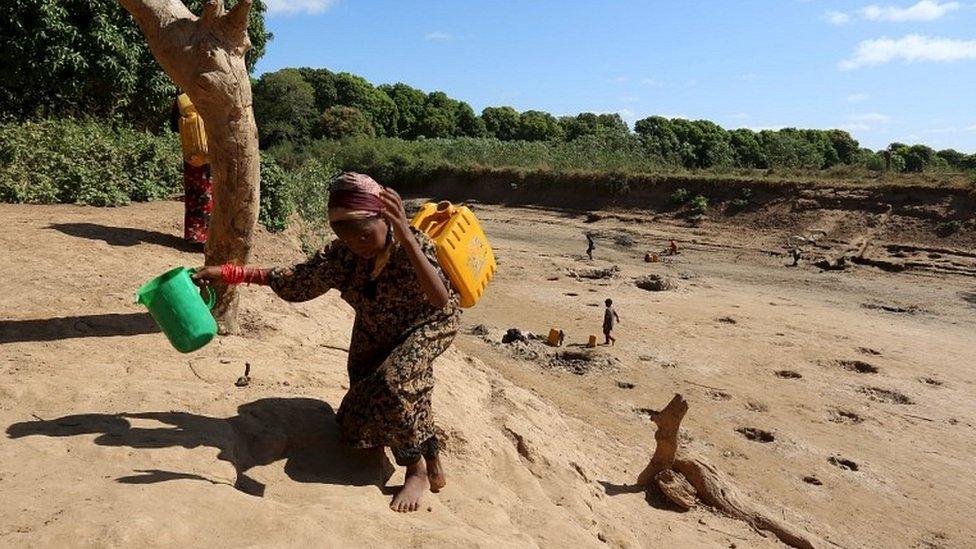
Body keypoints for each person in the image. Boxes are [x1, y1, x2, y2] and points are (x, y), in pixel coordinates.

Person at [192, 172, 461, 513]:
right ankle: (433, 454)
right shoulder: (345, 256)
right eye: (348, 240)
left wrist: (406, 236)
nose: (358, 245)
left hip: (431, 320)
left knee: (393, 385)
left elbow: (439, 299)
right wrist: (229, 273)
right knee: (357, 420)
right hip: (379, 324)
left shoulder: (413, 243)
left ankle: (417, 468)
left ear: (385, 218)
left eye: (364, 235)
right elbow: (296, 279)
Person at [172, 93, 213, 245]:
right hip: (211, 153)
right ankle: (205, 237)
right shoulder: (212, 96)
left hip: (191, 154)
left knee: (193, 194)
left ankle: (193, 235)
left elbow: (174, 125)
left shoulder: (182, 99)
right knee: (208, 194)